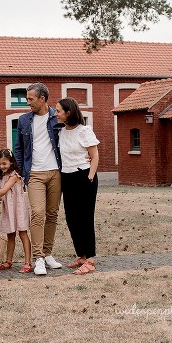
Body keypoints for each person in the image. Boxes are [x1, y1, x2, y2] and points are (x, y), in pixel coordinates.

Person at [14, 82, 63, 276]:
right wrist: (20, 171)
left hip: (55, 172)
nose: (28, 102)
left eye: (30, 99)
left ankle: (48, 253)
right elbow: (18, 148)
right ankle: (38, 258)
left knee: (52, 214)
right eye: (27, 99)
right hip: (34, 173)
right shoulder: (24, 120)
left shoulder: (57, 117)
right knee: (37, 213)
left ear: (42, 99)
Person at [54, 97, 100, 275]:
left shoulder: (84, 131)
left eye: (58, 111)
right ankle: (81, 255)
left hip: (84, 176)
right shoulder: (61, 131)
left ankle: (90, 260)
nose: (56, 114)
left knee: (85, 218)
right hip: (67, 177)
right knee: (71, 218)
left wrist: (90, 177)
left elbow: (94, 156)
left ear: (69, 112)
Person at [0, 149, 33, 273]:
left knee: (23, 233)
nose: (1, 166)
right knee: (10, 234)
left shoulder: (14, 176)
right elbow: (5, 193)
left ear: (11, 162)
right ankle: (8, 261)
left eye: (4, 163)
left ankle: (28, 262)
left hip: (18, 208)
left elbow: (4, 190)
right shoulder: (3, 176)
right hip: (9, 208)